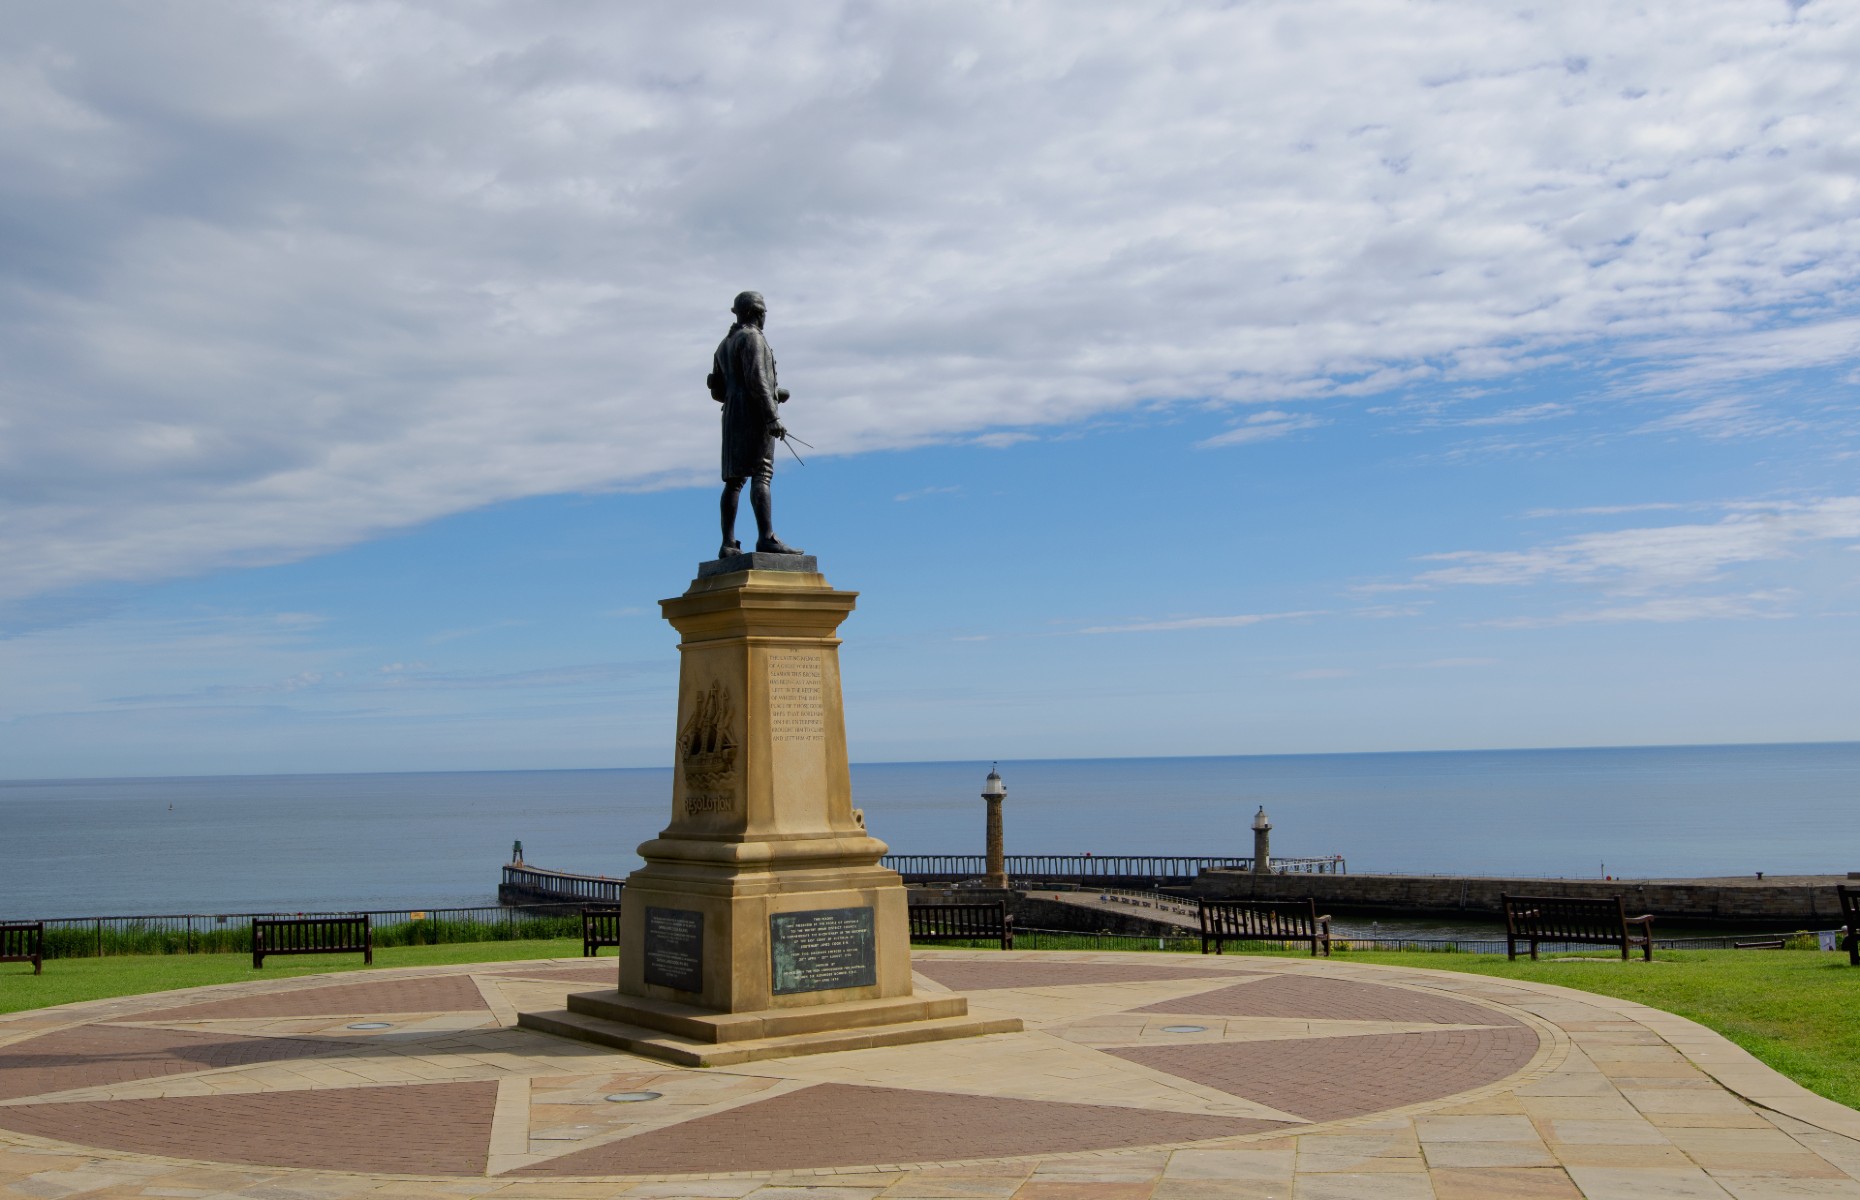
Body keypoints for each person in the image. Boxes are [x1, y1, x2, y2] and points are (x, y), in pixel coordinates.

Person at [707, 291, 803, 558]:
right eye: (763, 312)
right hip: (753, 415)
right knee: (762, 474)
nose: (764, 318)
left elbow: (718, 392)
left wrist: (776, 393)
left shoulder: (723, 345)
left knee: (734, 480)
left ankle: (728, 544)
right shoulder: (753, 338)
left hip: (732, 415)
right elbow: (757, 379)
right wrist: (772, 415)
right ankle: (766, 537)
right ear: (755, 313)